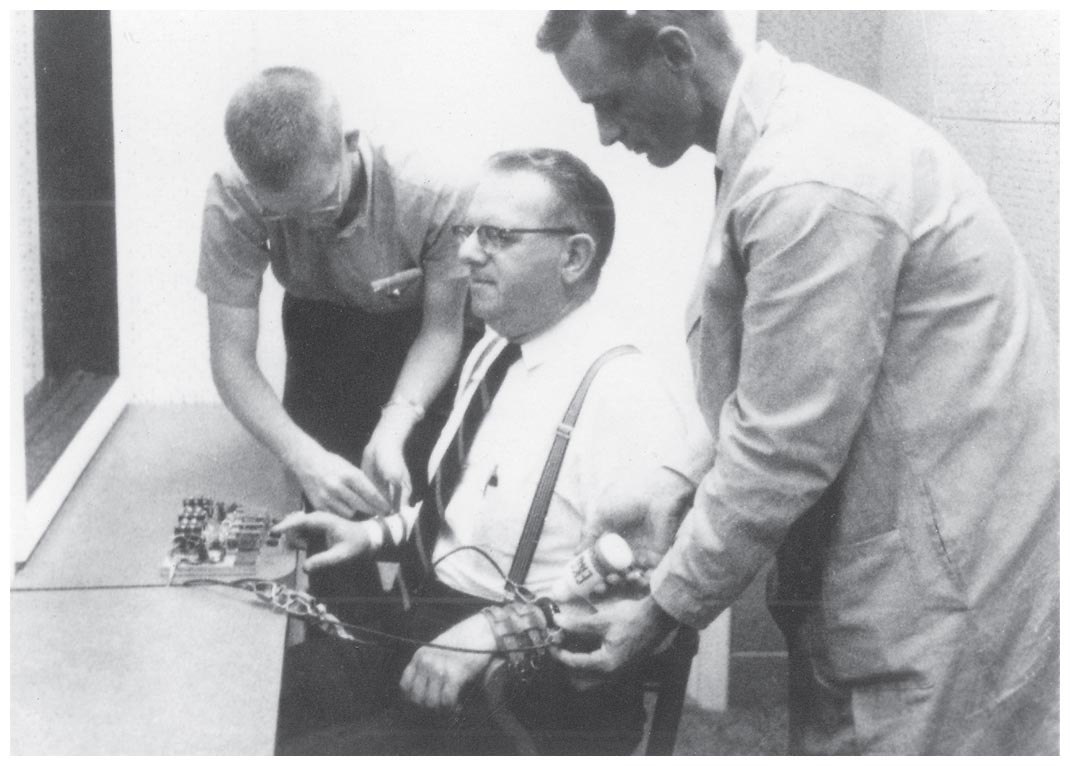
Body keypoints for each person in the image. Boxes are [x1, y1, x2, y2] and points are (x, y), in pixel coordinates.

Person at [537, 10, 1059, 756]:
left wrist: (663, 605)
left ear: (676, 54)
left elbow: (784, 442)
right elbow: (780, 375)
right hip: (906, 533)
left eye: (610, 101)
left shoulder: (811, 176)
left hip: (942, 570)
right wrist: (675, 483)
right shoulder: (782, 135)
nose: (606, 134)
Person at [270, 148, 691, 755]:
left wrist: (495, 632)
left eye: (496, 236)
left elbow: (648, 600)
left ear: (573, 256)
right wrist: (373, 535)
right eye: (468, 231)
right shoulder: (495, 350)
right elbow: (468, 515)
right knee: (268, 704)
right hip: (421, 629)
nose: (465, 254)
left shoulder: (626, 394)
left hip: (524, 696)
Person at [198, 67, 475, 606]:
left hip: (418, 333)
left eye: (320, 204)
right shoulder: (233, 195)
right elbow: (230, 355)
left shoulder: (435, 190)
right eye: (284, 214)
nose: (310, 226)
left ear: (350, 145)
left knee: (427, 503)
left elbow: (444, 330)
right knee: (322, 506)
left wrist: (395, 423)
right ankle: (338, 651)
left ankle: (419, 643)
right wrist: (301, 454)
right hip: (321, 327)